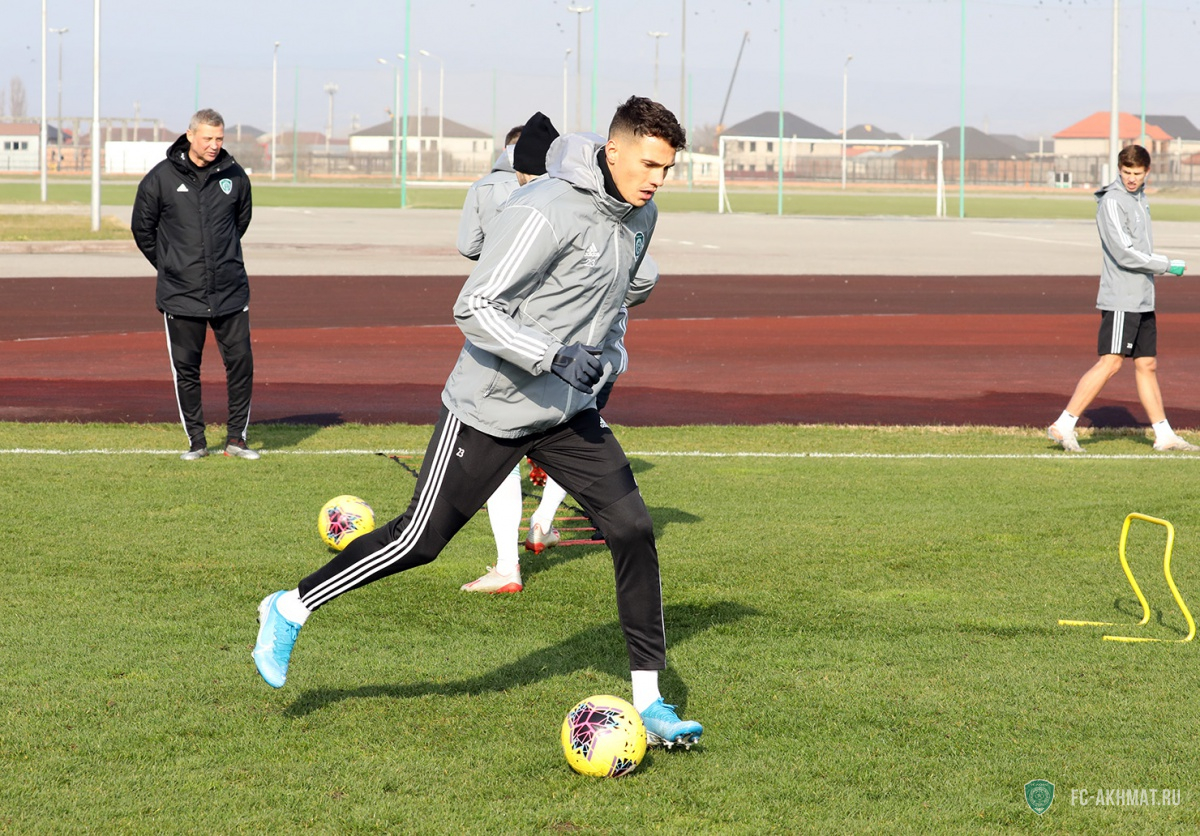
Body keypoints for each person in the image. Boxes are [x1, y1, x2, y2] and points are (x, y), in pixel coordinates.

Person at [253, 96, 703, 749]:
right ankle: (290, 607)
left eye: (667, 168)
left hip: (567, 412)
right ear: (613, 152)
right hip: (491, 406)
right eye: (649, 164)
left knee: (633, 529)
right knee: (419, 541)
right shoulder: (545, 208)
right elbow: (475, 306)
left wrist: (609, 359)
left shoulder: (642, 216)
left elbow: (612, 306)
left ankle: (650, 702)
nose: (658, 179)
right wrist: (552, 355)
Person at [458, 112, 569, 594]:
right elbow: (641, 276)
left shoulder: (489, 188)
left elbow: (468, 246)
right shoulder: (580, 199)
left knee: (498, 438)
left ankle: (507, 566)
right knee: (580, 431)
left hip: (507, 334)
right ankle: (543, 520)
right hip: (565, 341)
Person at [1047, 144, 1197, 454]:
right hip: (1121, 299)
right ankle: (1064, 424)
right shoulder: (1112, 202)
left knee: (1147, 364)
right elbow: (1124, 253)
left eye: (1137, 173)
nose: (1131, 178)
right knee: (1111, 362)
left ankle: (1164, 435)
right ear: (1119, 169)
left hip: (1142, 297)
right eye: (1127, 172)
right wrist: (1166, 265)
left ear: (1147, 172)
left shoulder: (1140, 198)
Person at [131, 108, 259, 461]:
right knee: (187, 370)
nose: (214, 145)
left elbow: (240, 221)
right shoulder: (160, 178)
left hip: (230, 290)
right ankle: (197, 442)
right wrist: (171, 264)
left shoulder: (235, 175)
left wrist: (220, 260)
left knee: (241, 365)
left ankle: (237, 440)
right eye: (208, 138)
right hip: (181, 293)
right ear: (190, 136)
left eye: (219, 138)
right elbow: (142, 229)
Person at [456, 123, 523, 261]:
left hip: (493, 266)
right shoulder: (548, 185)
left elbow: (468, 247)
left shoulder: (480, 187)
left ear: (505, 150)